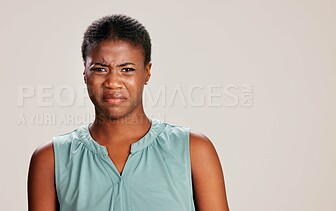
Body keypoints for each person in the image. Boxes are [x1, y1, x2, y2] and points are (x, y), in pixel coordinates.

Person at [27, 14, 229, 211]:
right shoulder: (51, 159)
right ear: (85, 74)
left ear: (147, 73)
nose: (113, 82)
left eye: (127, 69)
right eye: (100, 69)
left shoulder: (193, 150)